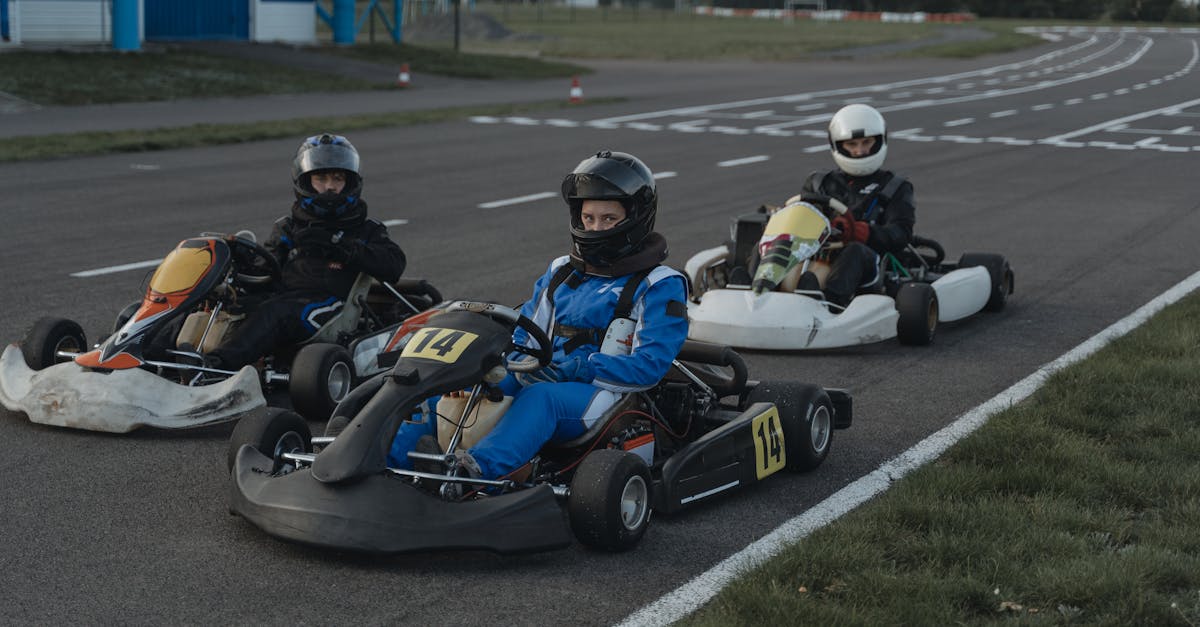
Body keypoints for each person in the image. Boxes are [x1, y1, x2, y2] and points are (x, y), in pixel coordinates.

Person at [386, 150, 689, 483]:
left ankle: (472, 473)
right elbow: (526, 335)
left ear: (634, 219)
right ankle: (391, 458)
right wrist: (496, 363)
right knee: (455, 383)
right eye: (589, 218)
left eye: (608, 219)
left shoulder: (659, 284)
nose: (596, 227)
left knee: (540, 399)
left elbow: (650, 366)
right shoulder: (561, 271)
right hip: (539, 374)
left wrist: (583, 367)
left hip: (606, 394)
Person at [206, 133, 406, 369]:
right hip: (284, 297)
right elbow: (263, 272)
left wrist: (338, 246)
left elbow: (394, 265)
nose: (330, 186)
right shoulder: (288, 227)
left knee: (276, 312)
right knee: (216, 303)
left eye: (337, 178)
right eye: (320, 178)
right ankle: (159, 354)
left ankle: (215, 367)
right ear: (304, 181)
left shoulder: (365, 229)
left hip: (333, 308)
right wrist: (240, 264)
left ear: (350, 182)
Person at [788, 103, 915, 306]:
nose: (860, 151)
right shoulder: (819, 182)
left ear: (880, 141)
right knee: (768, 241)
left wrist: (862, 232)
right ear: (837, 145)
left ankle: (831, 302)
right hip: (816, 255)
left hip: (869, 262)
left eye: (866, 142)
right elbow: (802, 216)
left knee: (854, 250)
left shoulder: (895, 186)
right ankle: (751, 289)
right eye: (852, 144)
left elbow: (901, 234)